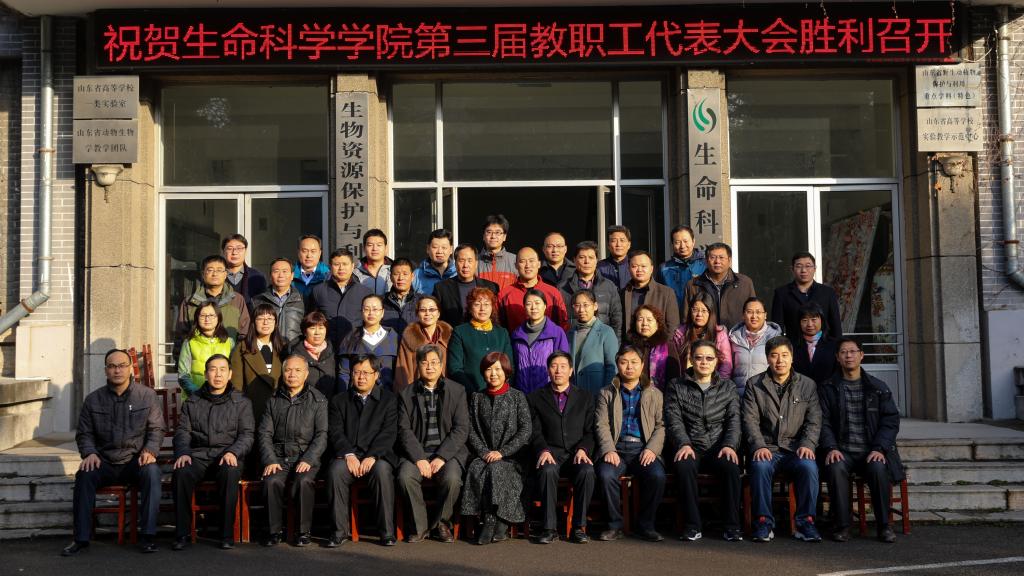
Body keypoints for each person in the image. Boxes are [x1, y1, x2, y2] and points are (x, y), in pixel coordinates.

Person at [63, 349, 164, 556]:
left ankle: (148, 536)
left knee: (152, 473)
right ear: (106, 370)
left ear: (130, 368)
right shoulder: (93, 400)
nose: (117, 370)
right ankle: (81, 539)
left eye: (122, 366)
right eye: (112, 366)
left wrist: (150, 451)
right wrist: (89, 453)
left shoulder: (146, 396)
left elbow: (156, 429)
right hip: (104, 462)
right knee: (84, 475)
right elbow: (84, 433)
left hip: (135, 460)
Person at [819, 338, 904, 544]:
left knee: (878, 467)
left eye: (853, 351)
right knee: (835, 467)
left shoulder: (878, 387)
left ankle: (884, 525)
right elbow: (822, 421)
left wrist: (879, 448)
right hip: (842, 450)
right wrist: (831, 447)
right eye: (843, 352)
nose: (848, 355)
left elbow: (890, 421)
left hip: (871, 450)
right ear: (837, 357)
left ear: (861, 355)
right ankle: (842, 525)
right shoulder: (828, 388)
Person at [742, 336, 822, 543]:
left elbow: (814, 421)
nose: (780, 361)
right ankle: (763, 522)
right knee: (759, 467)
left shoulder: (807, 385)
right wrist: (758, 445)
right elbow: (749, 420)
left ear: (792, 357)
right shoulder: (755, 385)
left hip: (795, 448)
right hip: (767, 447)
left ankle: (805, 523)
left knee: (809, 467)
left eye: (785, 355)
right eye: (774, 355)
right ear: (767, 358)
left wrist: (807, 444)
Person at [171, 355, 254, 551]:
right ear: (206, 374)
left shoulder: (241, 402)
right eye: (213, 370)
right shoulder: (193, 401)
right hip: (198, 455)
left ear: (230, 374)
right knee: (181, 472)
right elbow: (182, 432)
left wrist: (233, 452)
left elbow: (247, 434)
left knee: (230, 472)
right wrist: (183, 452)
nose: (218, 374)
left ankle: (226, 534)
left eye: (222, 370)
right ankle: (182, 533)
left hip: (227, 455)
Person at [664, 340, 743, 543]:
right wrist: (683, 443)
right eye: (699, 358)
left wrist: (729, 445)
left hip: (719, 446)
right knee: (683, 466)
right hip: (691, 445)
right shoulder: (676, 385)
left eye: (709, 358)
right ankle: (692, 525)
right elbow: (674, 420)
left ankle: (732, 526)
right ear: (691, 360)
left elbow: (734, 420)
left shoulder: (728, 387)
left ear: (716, 361)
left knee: (731, 467)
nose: (704, 362)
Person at [396, 344, 471, 543]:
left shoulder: (457, 391)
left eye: (434, 362)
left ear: (441, 365)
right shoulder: (406, 394)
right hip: (416, 453)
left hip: (448, 453)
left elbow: (461, 428)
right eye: (425, 362)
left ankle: (441, 524)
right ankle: (419, 527)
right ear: (418, 365)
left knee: (452, 479)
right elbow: (404, 430)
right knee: (405, 477)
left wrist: (442, 456)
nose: (430, 367)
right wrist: (419, 458)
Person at [325, 354, 399, 547]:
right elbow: (335, 432)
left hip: (378, 456)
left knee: (382, 471)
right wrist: (348, 454)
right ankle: (339, 532)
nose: (361, 377)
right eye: (357, 372)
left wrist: (373, 455)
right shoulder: (339, 401)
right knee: (335, 471)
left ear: (376, 375)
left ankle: (387, 532)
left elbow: (389, 432)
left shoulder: (389, 400)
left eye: (366, 373)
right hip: (348, 455)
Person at [594, 345, 666, 543]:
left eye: (634, 362)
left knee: (657, 476)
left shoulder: (654, 393)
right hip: (616, 448)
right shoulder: (606, 393)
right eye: (624, 362)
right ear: (617, 364)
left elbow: (661, 426)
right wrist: (608, 449)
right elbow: (601, 424)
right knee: (606, 475)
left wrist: (651, 449)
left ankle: (646, 525)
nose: (629, 367)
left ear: (642, 365)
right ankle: (614, 525)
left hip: (642, 448)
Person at [462, 352, 532, 545]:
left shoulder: (517, 397)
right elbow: (470, 430)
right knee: (478, 468)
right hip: (485, 455)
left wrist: (502, 452)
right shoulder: (477, 397)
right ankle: (497, 521)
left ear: (506, 372)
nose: (493, 374)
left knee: (497, 469)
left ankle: (492, 518)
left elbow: (525, 430)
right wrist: (484, 452)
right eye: (488, 369)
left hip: (513, 456)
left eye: (498, 369)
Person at [259, 355, 329, 548]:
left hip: (305, 457)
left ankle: (303, 532)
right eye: (288, 370)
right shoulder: (273, 400)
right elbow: (264, 433)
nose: (292, 374)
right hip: (279, 457)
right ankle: (274, 531)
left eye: (298, 370)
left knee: (304, 481)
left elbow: (322, 435)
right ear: (282, 373)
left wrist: (309, 458)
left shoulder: (318, 400)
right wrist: (270, 460)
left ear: (306, 374)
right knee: (271, 481)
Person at [527, 351, 595, 544]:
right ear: (548, 370)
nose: (558, 371)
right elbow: (534, 431)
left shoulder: (586, 397)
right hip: (551, 453)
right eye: (554, 366)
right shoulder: (535, 397)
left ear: (571, 370)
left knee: (587, 471)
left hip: (576, 453)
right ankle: (549, 528)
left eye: (563, 366)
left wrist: (583, 449)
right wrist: (543, 450)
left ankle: (579, 527)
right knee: (547, 470)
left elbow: (591, 431)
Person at [229, 303, 284, 448]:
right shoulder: (242, 348)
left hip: (280, 413)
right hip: (252, 412)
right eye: (260, 318)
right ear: (253, 322)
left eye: (270, 318)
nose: (266, 322)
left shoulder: (284, 347)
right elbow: (236, 386)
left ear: (276, 323)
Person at [448, 288, 514, 394]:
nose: (482, 308)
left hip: (500, 393)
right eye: (477, 304)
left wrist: (502, 390)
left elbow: (509, 366)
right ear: (470, 308)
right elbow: (455, 368)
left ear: (492, 308)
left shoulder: (502, 333)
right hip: (470, 393)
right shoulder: (460, 332)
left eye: (487, 304)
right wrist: (473, 393)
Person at [175, 255, 250, 342]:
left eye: (219, 270)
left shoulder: (237, 300)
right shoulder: (190, 302)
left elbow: (244, 332)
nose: (214, 274)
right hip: (198, 350)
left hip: (229, 350)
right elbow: (181, 335)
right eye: (210, 270)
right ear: (203, 274)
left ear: (225, 274)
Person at [308, 248, 373, 347]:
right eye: (336, 264)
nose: (341, 268)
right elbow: (310, 321)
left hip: (356, 347)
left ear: (352, 266)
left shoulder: (365, 292)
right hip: (326, 348)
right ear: (330, 267)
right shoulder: (318, 291)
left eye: (345, 264)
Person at [510, 289, 570, 394]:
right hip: (522, 394)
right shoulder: (517, 335)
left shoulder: (556, 333)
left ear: (545, 306)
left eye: (537, 303)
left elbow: (564, 365)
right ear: (524, 308)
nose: (533, 307)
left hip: (548, 394)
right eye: (529, 304)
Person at [560, 240, 624, 339]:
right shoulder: (563, 288)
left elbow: (617, 320)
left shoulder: (609, 286)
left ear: (597, 260)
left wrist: (614, 344)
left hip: (602, 341)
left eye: (591, 257)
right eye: (582, 257)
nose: (587, 262)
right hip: (572, 341)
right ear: (574, 260)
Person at [771, 252, 842, 340]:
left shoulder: (828, 293)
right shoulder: (782, 293)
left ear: (815, 269)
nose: (803, 270)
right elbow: (777, 328)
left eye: (808, 266)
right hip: (793, 346)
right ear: (792, 269)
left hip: (823, 345)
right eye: (799, 266)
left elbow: (835, 325)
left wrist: (838, 345)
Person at [684, 242, 755, 330]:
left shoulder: (745, 283)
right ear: (706, 261)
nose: (717, 261)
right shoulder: (693, 285)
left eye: (721, 257)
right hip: (705, 336)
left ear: (729, 260)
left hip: (737, 336)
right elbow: (686, 318)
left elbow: (753, 312)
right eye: (713, 257)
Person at [497, 247, 569, 333]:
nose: (527, 265)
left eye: (531, 261)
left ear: (539, 264)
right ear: (516, 265)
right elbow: (499, 327)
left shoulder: (553, 292)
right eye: (522, 261)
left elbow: (563, 324)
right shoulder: (504, 294)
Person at [338, 294, 400, 391]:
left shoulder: (394, 338)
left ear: (382, 312)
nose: (371, 313)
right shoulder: (351, 338)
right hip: (356, 395)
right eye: (366, 309)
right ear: (361, 312)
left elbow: (399, 374)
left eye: (375, 309)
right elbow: (344, 373)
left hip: (386, 396)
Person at [394, 295, 453, 393]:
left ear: (438, 313)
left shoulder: (450, 336)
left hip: (446, 391)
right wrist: (406, 395)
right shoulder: (409, 337)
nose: (427, 313)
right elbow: (403, 371)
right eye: (422, 310)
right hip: (418, 392)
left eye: (432, 309)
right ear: (417, 314)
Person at [177, 301, 236, 397]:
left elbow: (235, 372)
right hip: (195, 398)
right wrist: (197, 394)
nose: (207, 319)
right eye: (203, 315)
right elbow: (183, 375)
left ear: (218, 318)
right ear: (197, 318)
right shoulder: (189, 342)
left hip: (224, 398)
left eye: (211, 315)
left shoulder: (229, 343)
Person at [671, 291, 732, 380]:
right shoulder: (680, 333)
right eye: (695, 310)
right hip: (685, 382)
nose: (699, 314)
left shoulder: (719, 334)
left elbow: (726, 364)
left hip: (713, 383)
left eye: (704, 311)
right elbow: (674, 362)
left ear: (710, 312)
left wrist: (718, 384)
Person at [567, 290, 618, 395]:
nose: (581, 310)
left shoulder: (606, 332)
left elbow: (612, 367)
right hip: (574, 394)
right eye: (577, 305)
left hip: (597, 393)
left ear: (595, 306)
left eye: (586, 305)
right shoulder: (570, 334)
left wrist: (605, 394)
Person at [728, 297, 782, 397]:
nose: (754, 316)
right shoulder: (734, 338)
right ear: (743, 315)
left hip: (766, 396)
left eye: (758, 312)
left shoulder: (775, 338)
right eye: (749, 312)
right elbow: (727, 369)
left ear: (765, 315)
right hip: (739, 396)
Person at [435, 244, 499, 328]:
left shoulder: (491, 287)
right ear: (455, 263)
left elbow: (496, 317)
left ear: (476, 263)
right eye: (461, 261)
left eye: (470, 261)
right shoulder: (441, 288)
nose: (465, 265)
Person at [622, 250, 681, 336]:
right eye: (634, 266)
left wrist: (663, 344)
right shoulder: (623, 293)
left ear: (651, 269)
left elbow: (673, 326)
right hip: (630, 343)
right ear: (629, 269)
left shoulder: (666, 293)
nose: (639, 270)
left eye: (643, 266)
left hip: (658, 343)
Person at [286, 311, 339, 399]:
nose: (317, 332)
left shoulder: (334, 352)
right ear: (305, 331)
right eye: (312, 328)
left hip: (330, 403)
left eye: (321, 328)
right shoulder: (294, 354)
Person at [252, 257, 305, 344]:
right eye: (276, 271)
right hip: (267, 348)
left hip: (294, 349)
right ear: (270, 276)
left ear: (292, 276)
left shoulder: (302, 299)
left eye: (285, 271)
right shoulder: (257, 301)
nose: (281, 275)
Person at [657, 225, 706, 312]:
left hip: (699, 315)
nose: (682, 246)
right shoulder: (664, 268)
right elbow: (659, 296)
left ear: (693, 241)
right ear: (672, 244)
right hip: (673, 315)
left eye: (685, 241)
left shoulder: (705, 265)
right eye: (677, 242)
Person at [625, 304, 672, 389]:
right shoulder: (628, 345)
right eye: (640, 320)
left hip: (662, 393)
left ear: (658, 324)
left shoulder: (668, 345)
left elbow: (674, 375)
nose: (644, 324)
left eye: (649, 320)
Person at [792, 302, 839, 384]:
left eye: (813, 319)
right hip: (799, 390)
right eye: (805, 320)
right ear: (799, 323)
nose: (809, 324)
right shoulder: (791, 346)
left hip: (827, 390)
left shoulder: (834, 345)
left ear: (821, 320)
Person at [222, 234, 267, 303]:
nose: (234, 252)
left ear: (245, 251)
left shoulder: (257, 276)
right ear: (223, 252)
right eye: (230, 248)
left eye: (239, 248)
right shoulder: (216, 275)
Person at [478, 214, 518, 290]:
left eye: (497, 232)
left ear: (504, 237)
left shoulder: (515, 261)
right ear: (483, 236)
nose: (493, 236)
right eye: (489, 232)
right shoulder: (474, 261)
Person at [412, 228, 457, 295]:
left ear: (451, 250)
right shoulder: (417, 275)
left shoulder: (458, 273)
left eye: (444, 247)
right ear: (428, 249)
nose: (439, 251)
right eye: (435, 247)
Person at [381, 258, 418, 334]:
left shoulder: (421, 301)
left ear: (412, 277)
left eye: (405, 274)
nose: (401, 278)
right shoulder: (381, 301)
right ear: (391, 277)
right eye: (396, 274)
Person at [354, 229, 392, 295]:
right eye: (370, 245)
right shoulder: (354, 272)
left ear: (386, 248)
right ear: (364, 248)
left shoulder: (394, 270)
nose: (374, 249)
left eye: (379, 245)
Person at [597, 225, 632, 290]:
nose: (618, 244)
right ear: (608, 245)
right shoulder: (599, 267)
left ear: (629, 245)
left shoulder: (635, 266)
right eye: (613, 241)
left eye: (622, 240)